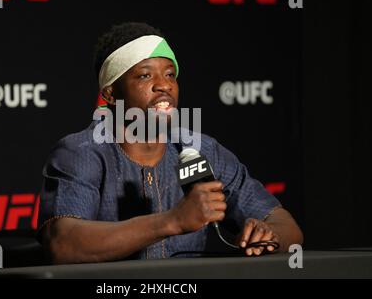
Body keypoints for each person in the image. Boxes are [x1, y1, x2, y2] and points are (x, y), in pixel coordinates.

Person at [37, 22, 303, 264]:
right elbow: (63, 243)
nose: (163, 86)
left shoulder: (201, 150)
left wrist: (267, 235)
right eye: (145, 75)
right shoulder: (81, 152)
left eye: (170, 74)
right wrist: (173, 221)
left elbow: (288, 228)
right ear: (110, 92)